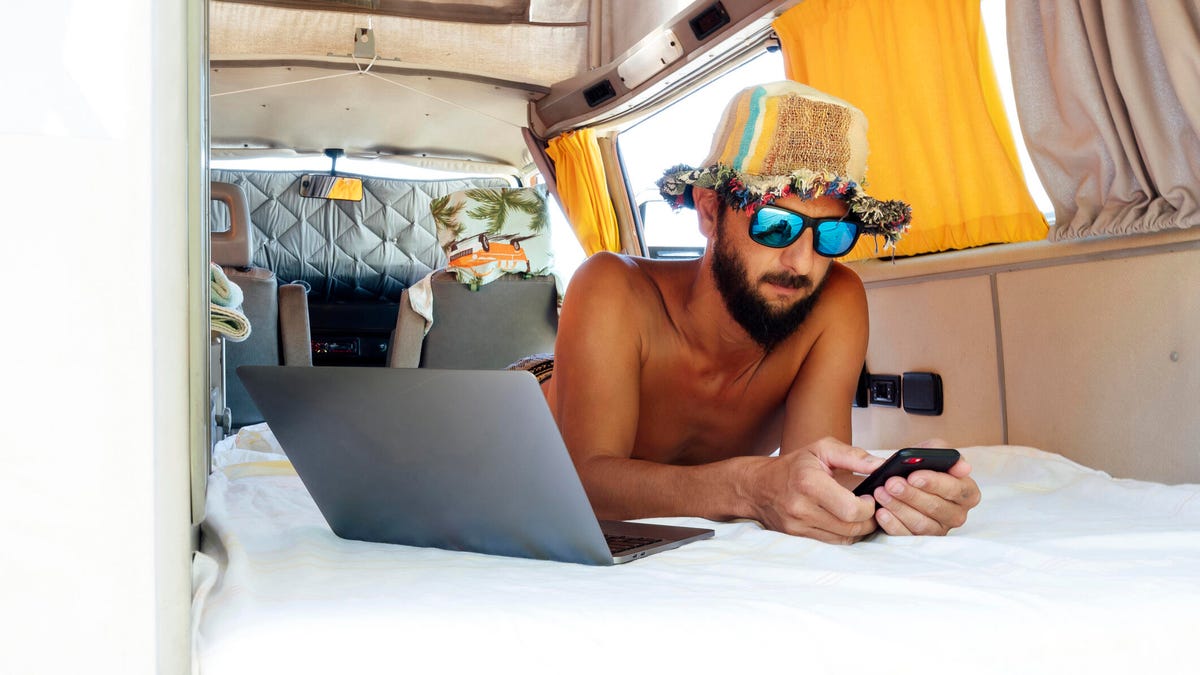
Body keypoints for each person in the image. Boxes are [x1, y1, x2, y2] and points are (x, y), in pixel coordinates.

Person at [534, 81, 980, 543]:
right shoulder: (612, 287)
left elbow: (817, 478)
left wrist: (898, 494)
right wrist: (747, 487)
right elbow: (583, 485)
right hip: (530, 406)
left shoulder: (835, 298)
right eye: (776, 225)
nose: (801, 263)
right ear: (709, 212)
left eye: (832, 236)